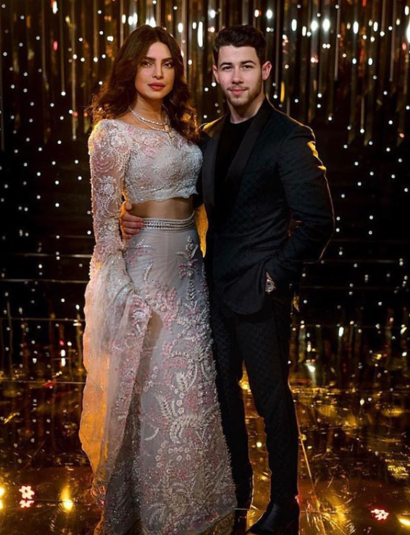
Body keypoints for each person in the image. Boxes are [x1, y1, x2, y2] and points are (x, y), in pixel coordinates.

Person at [120, 25, 335, 535]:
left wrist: (275, 277)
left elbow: (319, 222)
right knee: (222, 396)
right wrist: (129, 214)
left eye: (247, 66)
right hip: (212, 289)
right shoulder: (208, 136)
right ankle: (239, 492)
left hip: (261, 295)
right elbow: (183, 199)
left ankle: (284, 506)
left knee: (271, 400)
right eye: (227, 67)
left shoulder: (289, 136)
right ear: (216, 73)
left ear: (264, 71)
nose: (237, 77)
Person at [79, 25, 236, 535]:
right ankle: (149, 511)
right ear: (130, 67)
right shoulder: (110, 133)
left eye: (168, 63)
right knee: (150, 390)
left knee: (192, 388)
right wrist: (122, 293)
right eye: (148, 62)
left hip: (192, 270)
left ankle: (191, 507)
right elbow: (104, 225)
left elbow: (199, 196)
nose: (158, 73)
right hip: (146, 276)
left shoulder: (181, 126)